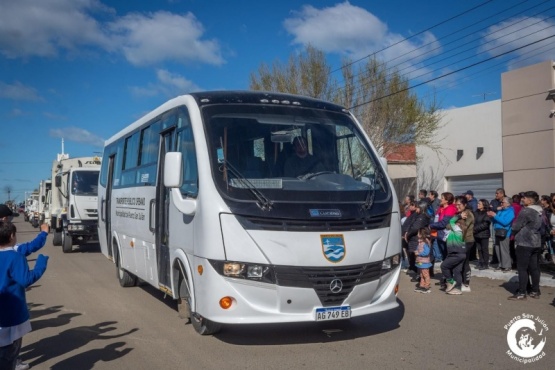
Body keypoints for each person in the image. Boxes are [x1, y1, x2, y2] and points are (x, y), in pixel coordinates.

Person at [0, 222, 49, 370]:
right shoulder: (15, 256)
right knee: (8, 354)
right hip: (11, 315)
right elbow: (26, 279)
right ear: (11, 236)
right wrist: (41, 264)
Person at [508, 191, 543, 301]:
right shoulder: (540, 210)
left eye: (525, 198)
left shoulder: (526, 211)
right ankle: (535, 291)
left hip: (525, 242)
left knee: (522, 268)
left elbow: (516, 226)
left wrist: (513, 232)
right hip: (536, 241)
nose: (522, 199)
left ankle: (522, 293)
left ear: (530, 200)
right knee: (534, 268)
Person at [440, 216, 468, 295]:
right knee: (457, 271)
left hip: (456, 254)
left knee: (444, 266)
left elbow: (451, 221)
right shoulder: (455, 232)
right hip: (460, 254)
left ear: (458, 224)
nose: (451, 225)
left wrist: (459, 215)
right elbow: (444, 237)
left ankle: (451, 282)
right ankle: (458, 288)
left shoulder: (457, 230)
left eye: (454, 224)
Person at [404, 201, 431, 280]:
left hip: (417, 239)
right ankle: (419, 273)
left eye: (418, 207)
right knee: (416, 257)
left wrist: (408, 234)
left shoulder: (422, 217)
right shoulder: (418, 215)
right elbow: (410, 224)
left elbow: (415, 227)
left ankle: (420, 274)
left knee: (419, 257)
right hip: (415, 238)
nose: (416, 209)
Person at [487, 196, 515, 272]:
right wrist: (491, 216)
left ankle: (507, 266)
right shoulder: (501, 211)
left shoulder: (510, 212)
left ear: (508, 204)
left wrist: (495, 216)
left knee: (504, 249)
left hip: (505, 233)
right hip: (497, 231)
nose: (501, 203)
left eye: (503, 202)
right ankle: (500, 264)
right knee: (497, 248)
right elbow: (496, 220)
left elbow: (505, 222)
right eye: (501, 202)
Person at [456, 197, 475, 292]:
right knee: (458, 261)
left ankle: (466, 283)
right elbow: (448, 225)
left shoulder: (468, 214)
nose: (457, 206)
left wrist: (456, 223)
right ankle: (457, 281)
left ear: (465, 205)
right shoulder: (458, 214)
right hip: (458, 240)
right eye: (456, 204)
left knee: (464, 261)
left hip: (467, 240)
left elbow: (463, 227)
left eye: (459, 204)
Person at [473, 199, 491, 270]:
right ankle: (481, 261)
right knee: (479, 249)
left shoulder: (487, 213)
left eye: (479, 204)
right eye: (478, 203)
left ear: (484, 205)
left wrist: (475, 229)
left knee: (484, 249)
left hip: (484, 234)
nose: (478, 205)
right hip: (476, 234)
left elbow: (485, 224)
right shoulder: (476, 212)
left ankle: (485, 264)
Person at [489, 188, 506, 265]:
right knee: (495, 242)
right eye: (495, 193)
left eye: (497, 193)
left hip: (504, 224)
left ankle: (505, 261)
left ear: (502, 194)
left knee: (503, 243)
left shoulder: (506, 200)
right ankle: (495, 259)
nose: (496, 195)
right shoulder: (493, 201)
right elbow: (491, 209)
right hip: (494, 224)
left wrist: (497, 209)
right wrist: (497, 208)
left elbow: (507, 209)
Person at [414, 228, 432, 294]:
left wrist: (419, 253)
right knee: (422, 274)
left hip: (424, 261)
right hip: (421, 261)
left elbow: (426, 252)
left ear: (421, 234)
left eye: (418, 233)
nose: (417, 234)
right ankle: (422, 285)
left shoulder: (425, 242)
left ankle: (427, 286)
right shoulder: (420, 242)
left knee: (425, 274)